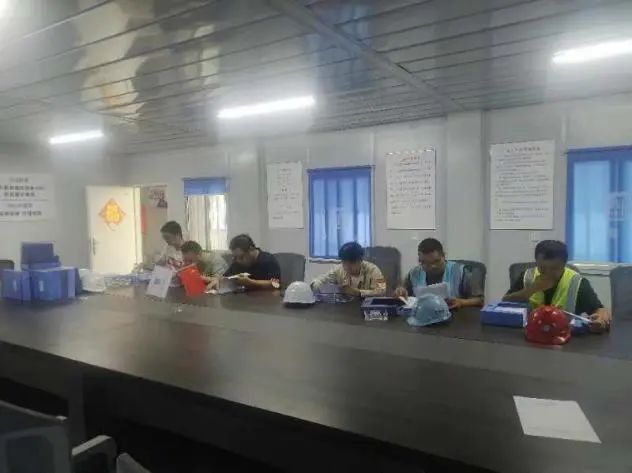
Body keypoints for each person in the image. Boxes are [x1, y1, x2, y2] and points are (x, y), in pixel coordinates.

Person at [503, 240, 611, 333]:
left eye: (554, 268)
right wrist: (531, 290)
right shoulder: (527, 277)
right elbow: (504, 303)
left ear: (564, 265)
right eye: (542, 268)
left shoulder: (577, 283)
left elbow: (600, 310)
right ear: (536, 262)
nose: (548, 273)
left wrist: (600, 320)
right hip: (530, 335)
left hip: (564, 337)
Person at [394, 238, 483, 310]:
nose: (433, 266)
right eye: (426, 263)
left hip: (456, 319)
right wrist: (401, 292)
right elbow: (404, 293)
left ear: (443, 255)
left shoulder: (461, 272)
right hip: (422, 319)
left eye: (436, 261)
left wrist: (462, 302)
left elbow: (480, 300)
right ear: (420, 261)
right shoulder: (414, 273)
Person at [311, 242, 386, 298]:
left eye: (351, 263)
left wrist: (358, 292)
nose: (347, 267)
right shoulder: (338, 269)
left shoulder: (374, 270)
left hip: (366, 308)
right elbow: (322, 279)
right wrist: (314, 286)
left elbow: (382, 291)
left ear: (360, 260)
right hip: (345, 308)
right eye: (344, 262)